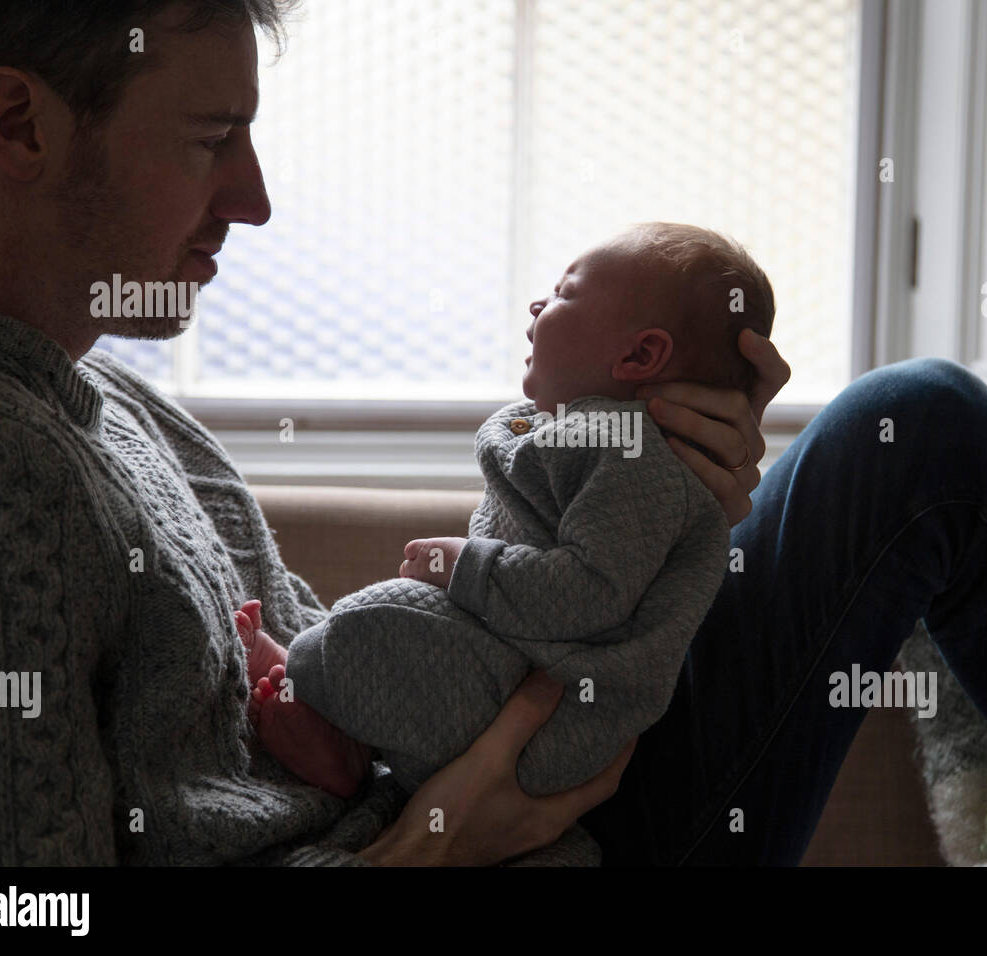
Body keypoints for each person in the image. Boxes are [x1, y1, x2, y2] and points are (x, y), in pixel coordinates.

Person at [0, 0, 987, 868]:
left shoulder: (113, 396)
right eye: (214, 138)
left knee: (915, 437)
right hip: (532, 846)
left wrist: (674, 527)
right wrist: (434, 844)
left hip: (530, 770)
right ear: (19, 130)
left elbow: (308, 684)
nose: (259, 199)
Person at [237, 222, 770, 801]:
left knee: (382, 617)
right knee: (405, 623)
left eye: (565, 293)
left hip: (552, 706)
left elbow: (590, 591)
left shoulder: (633, 459)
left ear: (640, 354)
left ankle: (314, 690)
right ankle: (343, 730)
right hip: (513, 668)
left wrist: (466, 564)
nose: (540, 303)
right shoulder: (591, 440)